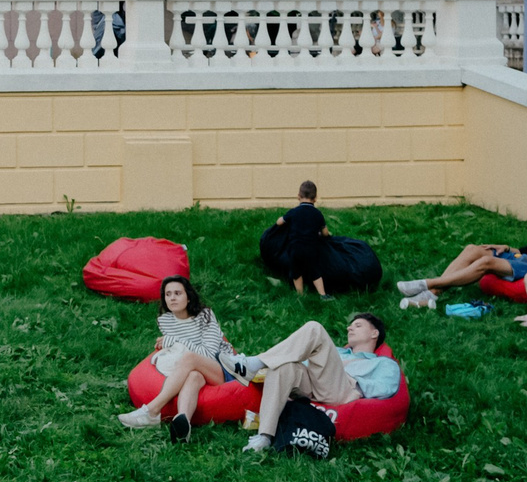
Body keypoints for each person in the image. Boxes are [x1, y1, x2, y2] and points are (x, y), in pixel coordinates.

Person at [397, 193, 527, 309]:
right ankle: (432, 293)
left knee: (485, 263)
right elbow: (526, 250)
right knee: (473, 249)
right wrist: (506, 247)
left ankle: (428, 284)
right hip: (520, 257)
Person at [244, 312, 399, 453]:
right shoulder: (337, 352)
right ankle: (265, 436)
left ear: (374, 333)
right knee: (282, 367)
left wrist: (355, 384)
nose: (349, 328)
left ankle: (255, 362)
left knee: (315, 328)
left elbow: (386, 387)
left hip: (343, 389)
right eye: (350, 326)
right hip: (315, 384)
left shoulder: (383, 363)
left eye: (358, 326)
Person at [119, 275, 246, 439]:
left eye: (177, 293)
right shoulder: (166, 321)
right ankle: (183, 424)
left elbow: (209, 354)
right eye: (168, 294)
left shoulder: (205, 316)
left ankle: (151, 411)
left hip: (225, 369)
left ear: (188, 297)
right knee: (194, 376)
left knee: (189, 358)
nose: (172, 298)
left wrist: (175, 341)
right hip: (200, 371)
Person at [259, 181, 332, 294]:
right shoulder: (318, 214)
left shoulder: (293, 212)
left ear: (298, 197)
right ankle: (322, 294)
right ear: (315, 198)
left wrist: (281, 219)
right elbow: (325, 233)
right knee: (315, 271)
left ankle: (300, 294)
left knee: (296, 272)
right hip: (311, 249)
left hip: (295, 248)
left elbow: (279, 222)